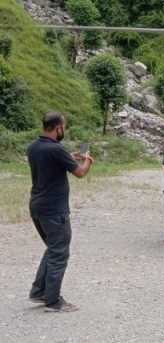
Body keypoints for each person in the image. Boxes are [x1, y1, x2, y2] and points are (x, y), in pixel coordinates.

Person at [27, 112, 94, 313]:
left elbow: (52, 162)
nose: (63, 130)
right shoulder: (56, 149)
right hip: (54, 209)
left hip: (37, 206)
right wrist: (88, 160)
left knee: (52, 249)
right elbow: (80, 173)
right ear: (58, 127)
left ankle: (39, 291)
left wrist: (69, 156)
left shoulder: (34, 147)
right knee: (59, 253)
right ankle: (53, 300)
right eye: (63, 126)